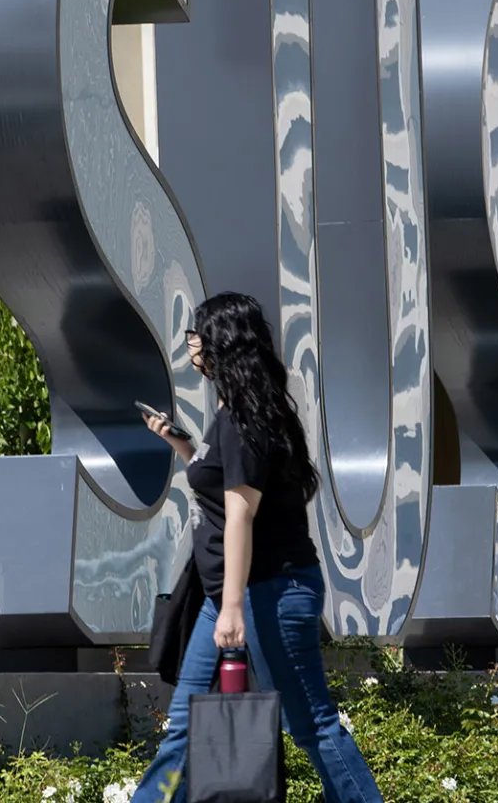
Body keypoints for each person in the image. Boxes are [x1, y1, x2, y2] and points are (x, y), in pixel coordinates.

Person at [131, 292, 383, 803]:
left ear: (222, 342)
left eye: (196, 335)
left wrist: (230, 611)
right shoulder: (236, 414)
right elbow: (218, 480)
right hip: (227, 595)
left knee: (312, 723)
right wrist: (180, 444)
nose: (191, 346)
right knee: (183, 728)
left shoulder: (247, 419)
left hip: (267, 592)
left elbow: (241, 514)